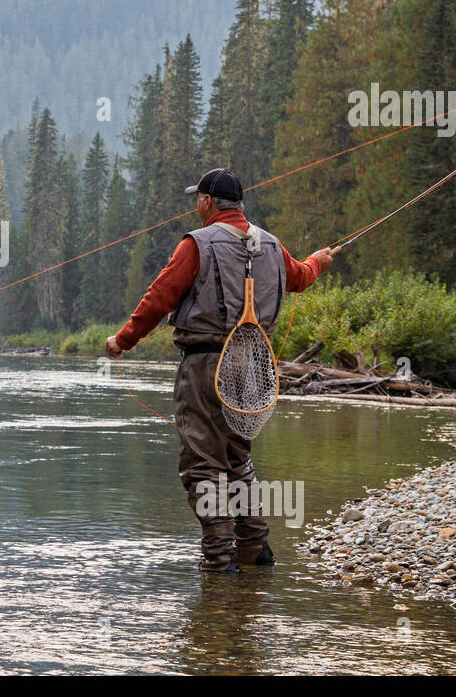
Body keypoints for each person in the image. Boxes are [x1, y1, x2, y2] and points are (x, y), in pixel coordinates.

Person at [104, 168, 334, 572]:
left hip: (206, 364)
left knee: (202, 462)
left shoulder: (197, 244)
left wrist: (122, 341)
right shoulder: (272, 244)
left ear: (208, 202)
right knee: (236, 457)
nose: (196, 204)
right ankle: (254, 549)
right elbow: (300, 277)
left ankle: (219, 558)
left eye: (198, 198)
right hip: (253, 367)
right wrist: (319, 260)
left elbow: (159, 298)